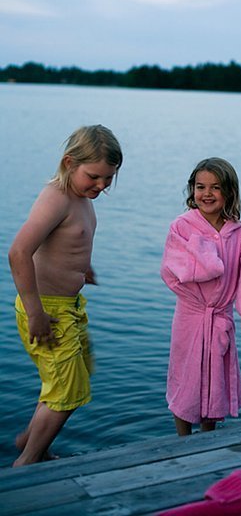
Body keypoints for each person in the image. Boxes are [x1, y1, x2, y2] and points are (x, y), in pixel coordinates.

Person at [8, 124, 123, 466]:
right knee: (67, 389)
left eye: (108, 179)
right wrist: (36, 312)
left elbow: (66, 243)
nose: (101, 186)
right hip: (46, 311)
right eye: (94, 176)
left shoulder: (80, 197)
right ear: (69, 162)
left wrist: (81, 270)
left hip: (68, 306)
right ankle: (27, 463)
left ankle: (33, 441)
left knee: (76, 373)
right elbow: (18, 252)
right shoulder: (56, 198)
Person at [161, 157, 241, 436]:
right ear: (191, 190)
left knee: (215, 377)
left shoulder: (237, 230)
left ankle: (209, 436)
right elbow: (171, 269)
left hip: (220, 315)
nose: (206, 194)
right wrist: (207, 263)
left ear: (228, 192)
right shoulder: (182, 226)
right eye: (200, 186)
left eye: (215, 187)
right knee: (185, 376)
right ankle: (183, 439)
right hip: (191, 314)